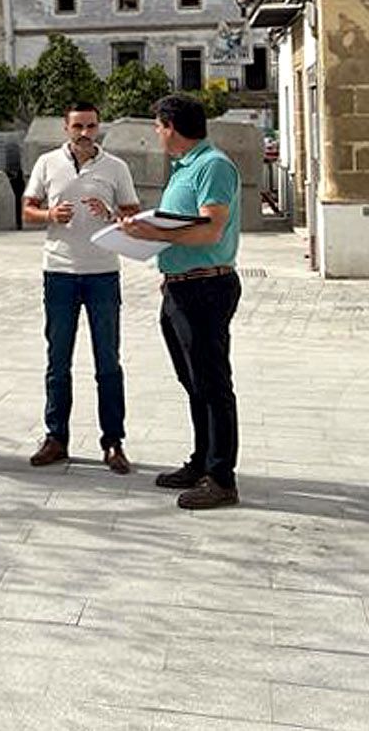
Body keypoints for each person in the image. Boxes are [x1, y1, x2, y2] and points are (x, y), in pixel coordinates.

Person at [117, 94, 244, 510]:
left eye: (157, 125)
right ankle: (202, 462)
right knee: (193, 382)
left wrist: (152, 235)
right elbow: (180, 222)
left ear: (170, 126)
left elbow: (209, 229)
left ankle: (221, 477)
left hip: (206, 287)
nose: (155, 133)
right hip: (180, 286)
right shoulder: (185, 168)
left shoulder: (213, 166)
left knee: (213, 384)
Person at [21, 103, 142, 474]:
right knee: (58, 360)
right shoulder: (47, 163)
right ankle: (56, 437)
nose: (84, 132)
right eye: (78, 126)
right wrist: (49, 215)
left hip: (103, 272)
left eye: (90, 126)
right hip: (59, 271)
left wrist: (112, 215)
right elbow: (27, 208)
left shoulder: (115, 167)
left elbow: (134, 217)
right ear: (66, 127)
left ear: (98, 127)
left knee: (108, 361)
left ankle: (113, 442)